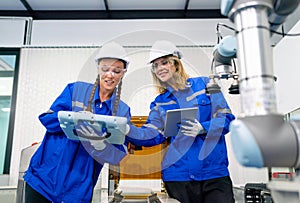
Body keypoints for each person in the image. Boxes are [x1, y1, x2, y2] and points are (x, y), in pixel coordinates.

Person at [126, 40, 235, 203]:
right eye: (155, 65)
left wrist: (203, 128)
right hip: (178, 175)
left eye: (164, 62)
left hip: (214, 173)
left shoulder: (205, 84)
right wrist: (127, 131)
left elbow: (226, 119)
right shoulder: (159, 102)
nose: (160, 68)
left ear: (176, 64)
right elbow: (152, 134)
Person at [23, 41, 131, 203]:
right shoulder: (75, 91)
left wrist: (100, 144)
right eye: (105, 69)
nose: (110, 75)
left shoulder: (122, 110)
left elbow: (118, 155)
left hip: (77, 191)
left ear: (123, 73)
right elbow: (47, 120)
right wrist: (73, 118)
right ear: (98, 69)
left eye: (116, 71)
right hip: (43, 179)